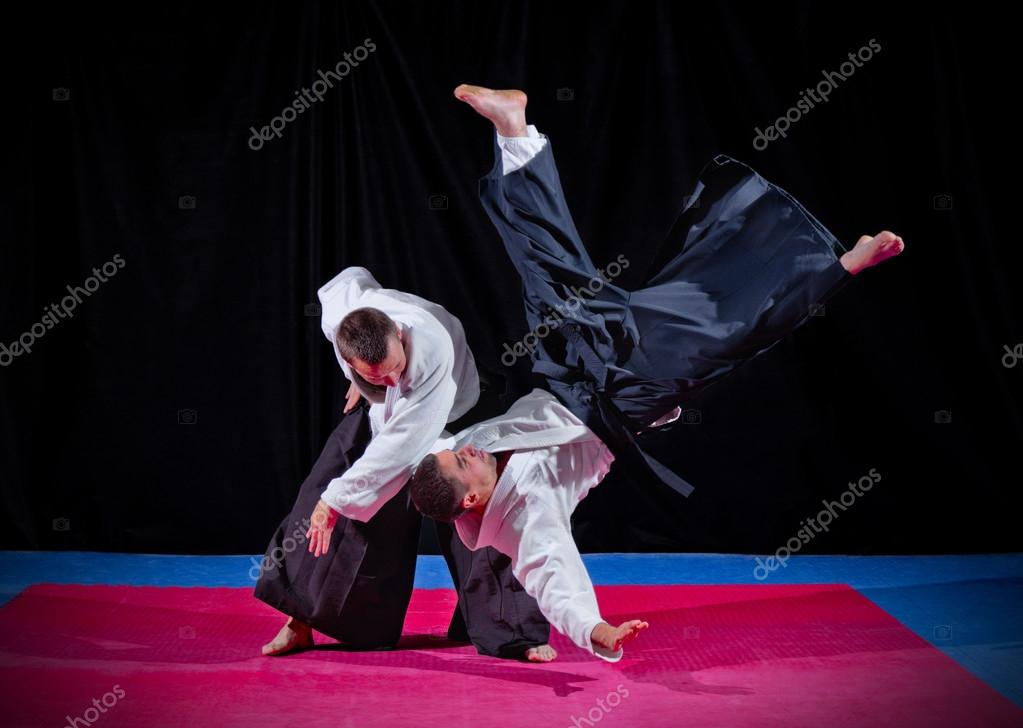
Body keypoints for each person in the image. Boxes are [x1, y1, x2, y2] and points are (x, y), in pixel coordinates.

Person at [406, 84, 905, 660]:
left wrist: (360, 405)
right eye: (461, 461)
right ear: (472, 501)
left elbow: (402, 449)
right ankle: (840, 266)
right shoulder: (525, 520)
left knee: (550, 274)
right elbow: (554, 580)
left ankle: (515, 133)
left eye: (455, 450)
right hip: (624, 396)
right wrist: (598, 631)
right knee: (731, 337)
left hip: (566, 370)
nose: (465, 448)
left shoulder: (459, 456)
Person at [254, 267, 555, 662]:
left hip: (457, 409)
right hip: (386, 415)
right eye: (377, 375)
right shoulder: (342, 314)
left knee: (484, 505)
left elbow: (403, 445)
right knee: (321, 495)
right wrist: (361, 378)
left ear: (398, 332)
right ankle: (303, 622)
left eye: (395, 369)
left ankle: (515, 632)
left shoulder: (431, 349)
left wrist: (338, 498)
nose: (393, 380)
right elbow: (352, 277)